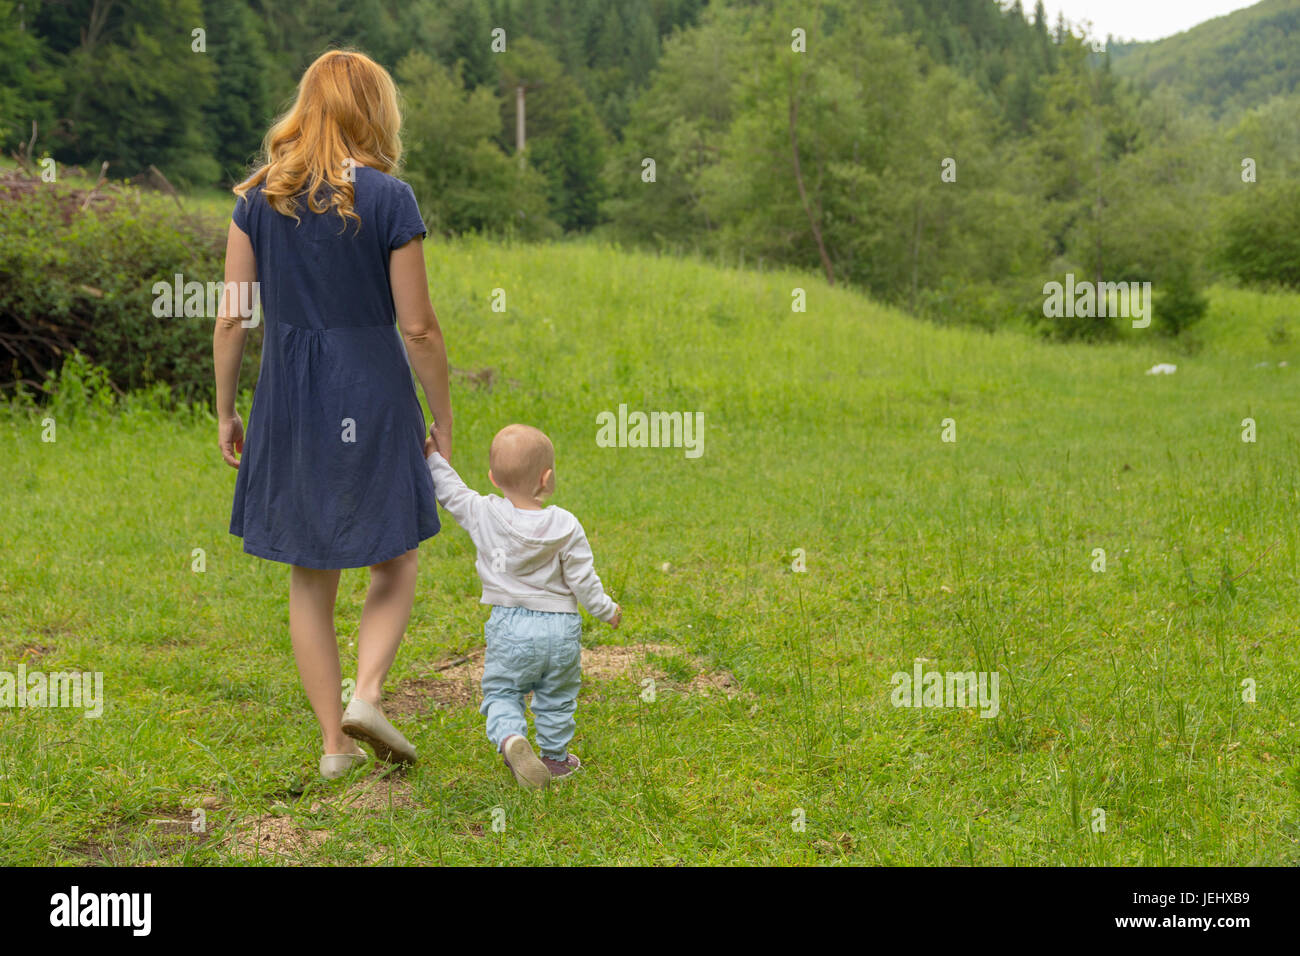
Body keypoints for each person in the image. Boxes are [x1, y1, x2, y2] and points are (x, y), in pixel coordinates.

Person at [212, 50, 453, 779]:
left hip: (288, 397)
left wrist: (225, 411)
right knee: (397, 554)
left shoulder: (258, 198)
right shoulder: (388, 198)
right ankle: (369, 692)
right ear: (373, 111)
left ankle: (333, 748)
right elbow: (418, 328)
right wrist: (442, 416)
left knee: (310, 573)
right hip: (373, 391)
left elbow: (232, 319)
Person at [424, 424, 621, 789]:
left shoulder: (483, 513)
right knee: (557, 695)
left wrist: (434, 457)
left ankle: (511, 738)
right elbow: (582, 579)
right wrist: (607, 609)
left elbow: (450, 493)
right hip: (561, 628)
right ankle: (555, 760)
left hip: (510, 627)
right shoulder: (566, 525)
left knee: (503, 692)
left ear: (492, 478)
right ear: (547, 479)